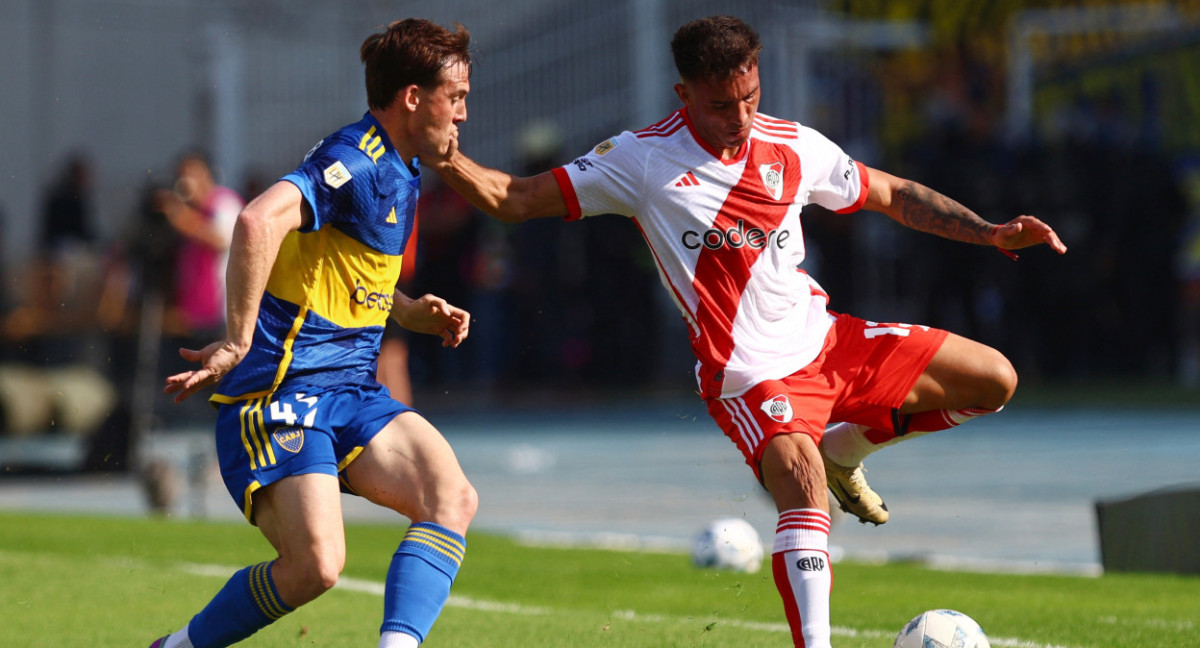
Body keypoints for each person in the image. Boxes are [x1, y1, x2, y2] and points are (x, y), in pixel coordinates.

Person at [429, 15, 1066, 648]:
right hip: (749, 373)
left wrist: (990, 232)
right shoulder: (642, 159)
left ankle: (846, 450)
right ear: (684, 96)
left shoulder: (792, 144)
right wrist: (446, 156)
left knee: (993, 381)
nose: (740, 116)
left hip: (827, 339)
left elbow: (892, 193)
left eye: (750, 97)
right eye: (720, 104)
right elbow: (514, 198)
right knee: (801, 483)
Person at [152, 18, 477, 648]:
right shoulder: (354, 158)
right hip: (280, 393)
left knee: (451, 498)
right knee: (316, 569)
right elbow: (255, 222)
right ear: (414, 97)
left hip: (352, 390)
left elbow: (342, 274)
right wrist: (239, 340)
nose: (464, 113)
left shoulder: (404, 167)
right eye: (456, 96)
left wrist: (406, 310)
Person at [155, 151, 243, 339]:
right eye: (182, 174)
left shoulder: (223, 202)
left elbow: (220, 239)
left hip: (222, 313)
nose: (185, 181)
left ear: (207, 174)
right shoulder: (190, 210)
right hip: (194, 316)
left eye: (192, 174)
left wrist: (180, 216)